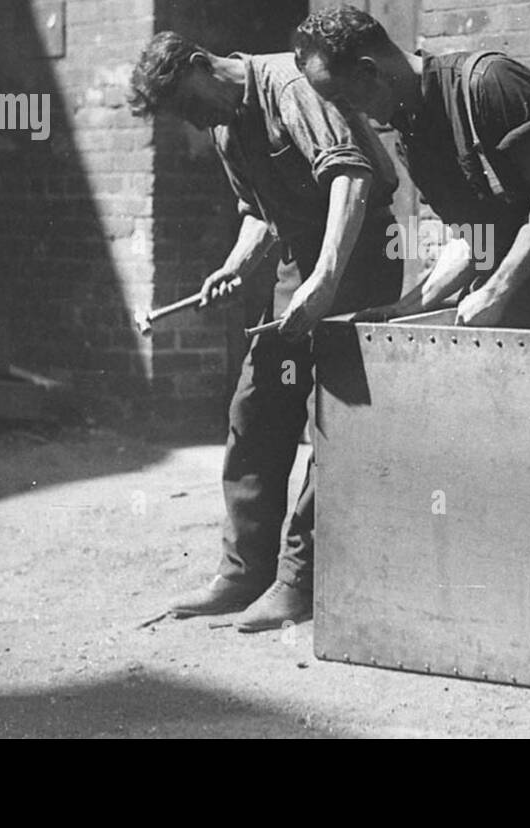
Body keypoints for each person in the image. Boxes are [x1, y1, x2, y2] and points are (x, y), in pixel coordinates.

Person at [128, 32, 401, 630]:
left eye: (192, 105)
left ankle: (298, 579)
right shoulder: (226, 123)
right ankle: (243, 572)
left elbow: (351, 176)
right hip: (300, 261)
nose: (198, 124)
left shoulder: (290, 84)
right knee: (257, 406)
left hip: (358, 256)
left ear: (204, 64)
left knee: (335, 421)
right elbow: (260, 212)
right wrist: (235, 265)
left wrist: (327, 278)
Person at [293, 5, 530, 332]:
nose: (346, 113)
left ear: (369, 70)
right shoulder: (410, 135)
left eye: (341, 97)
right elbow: (475, 241)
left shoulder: (490, 83)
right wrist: (399, 310)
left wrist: (497, 290)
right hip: (499, 309)